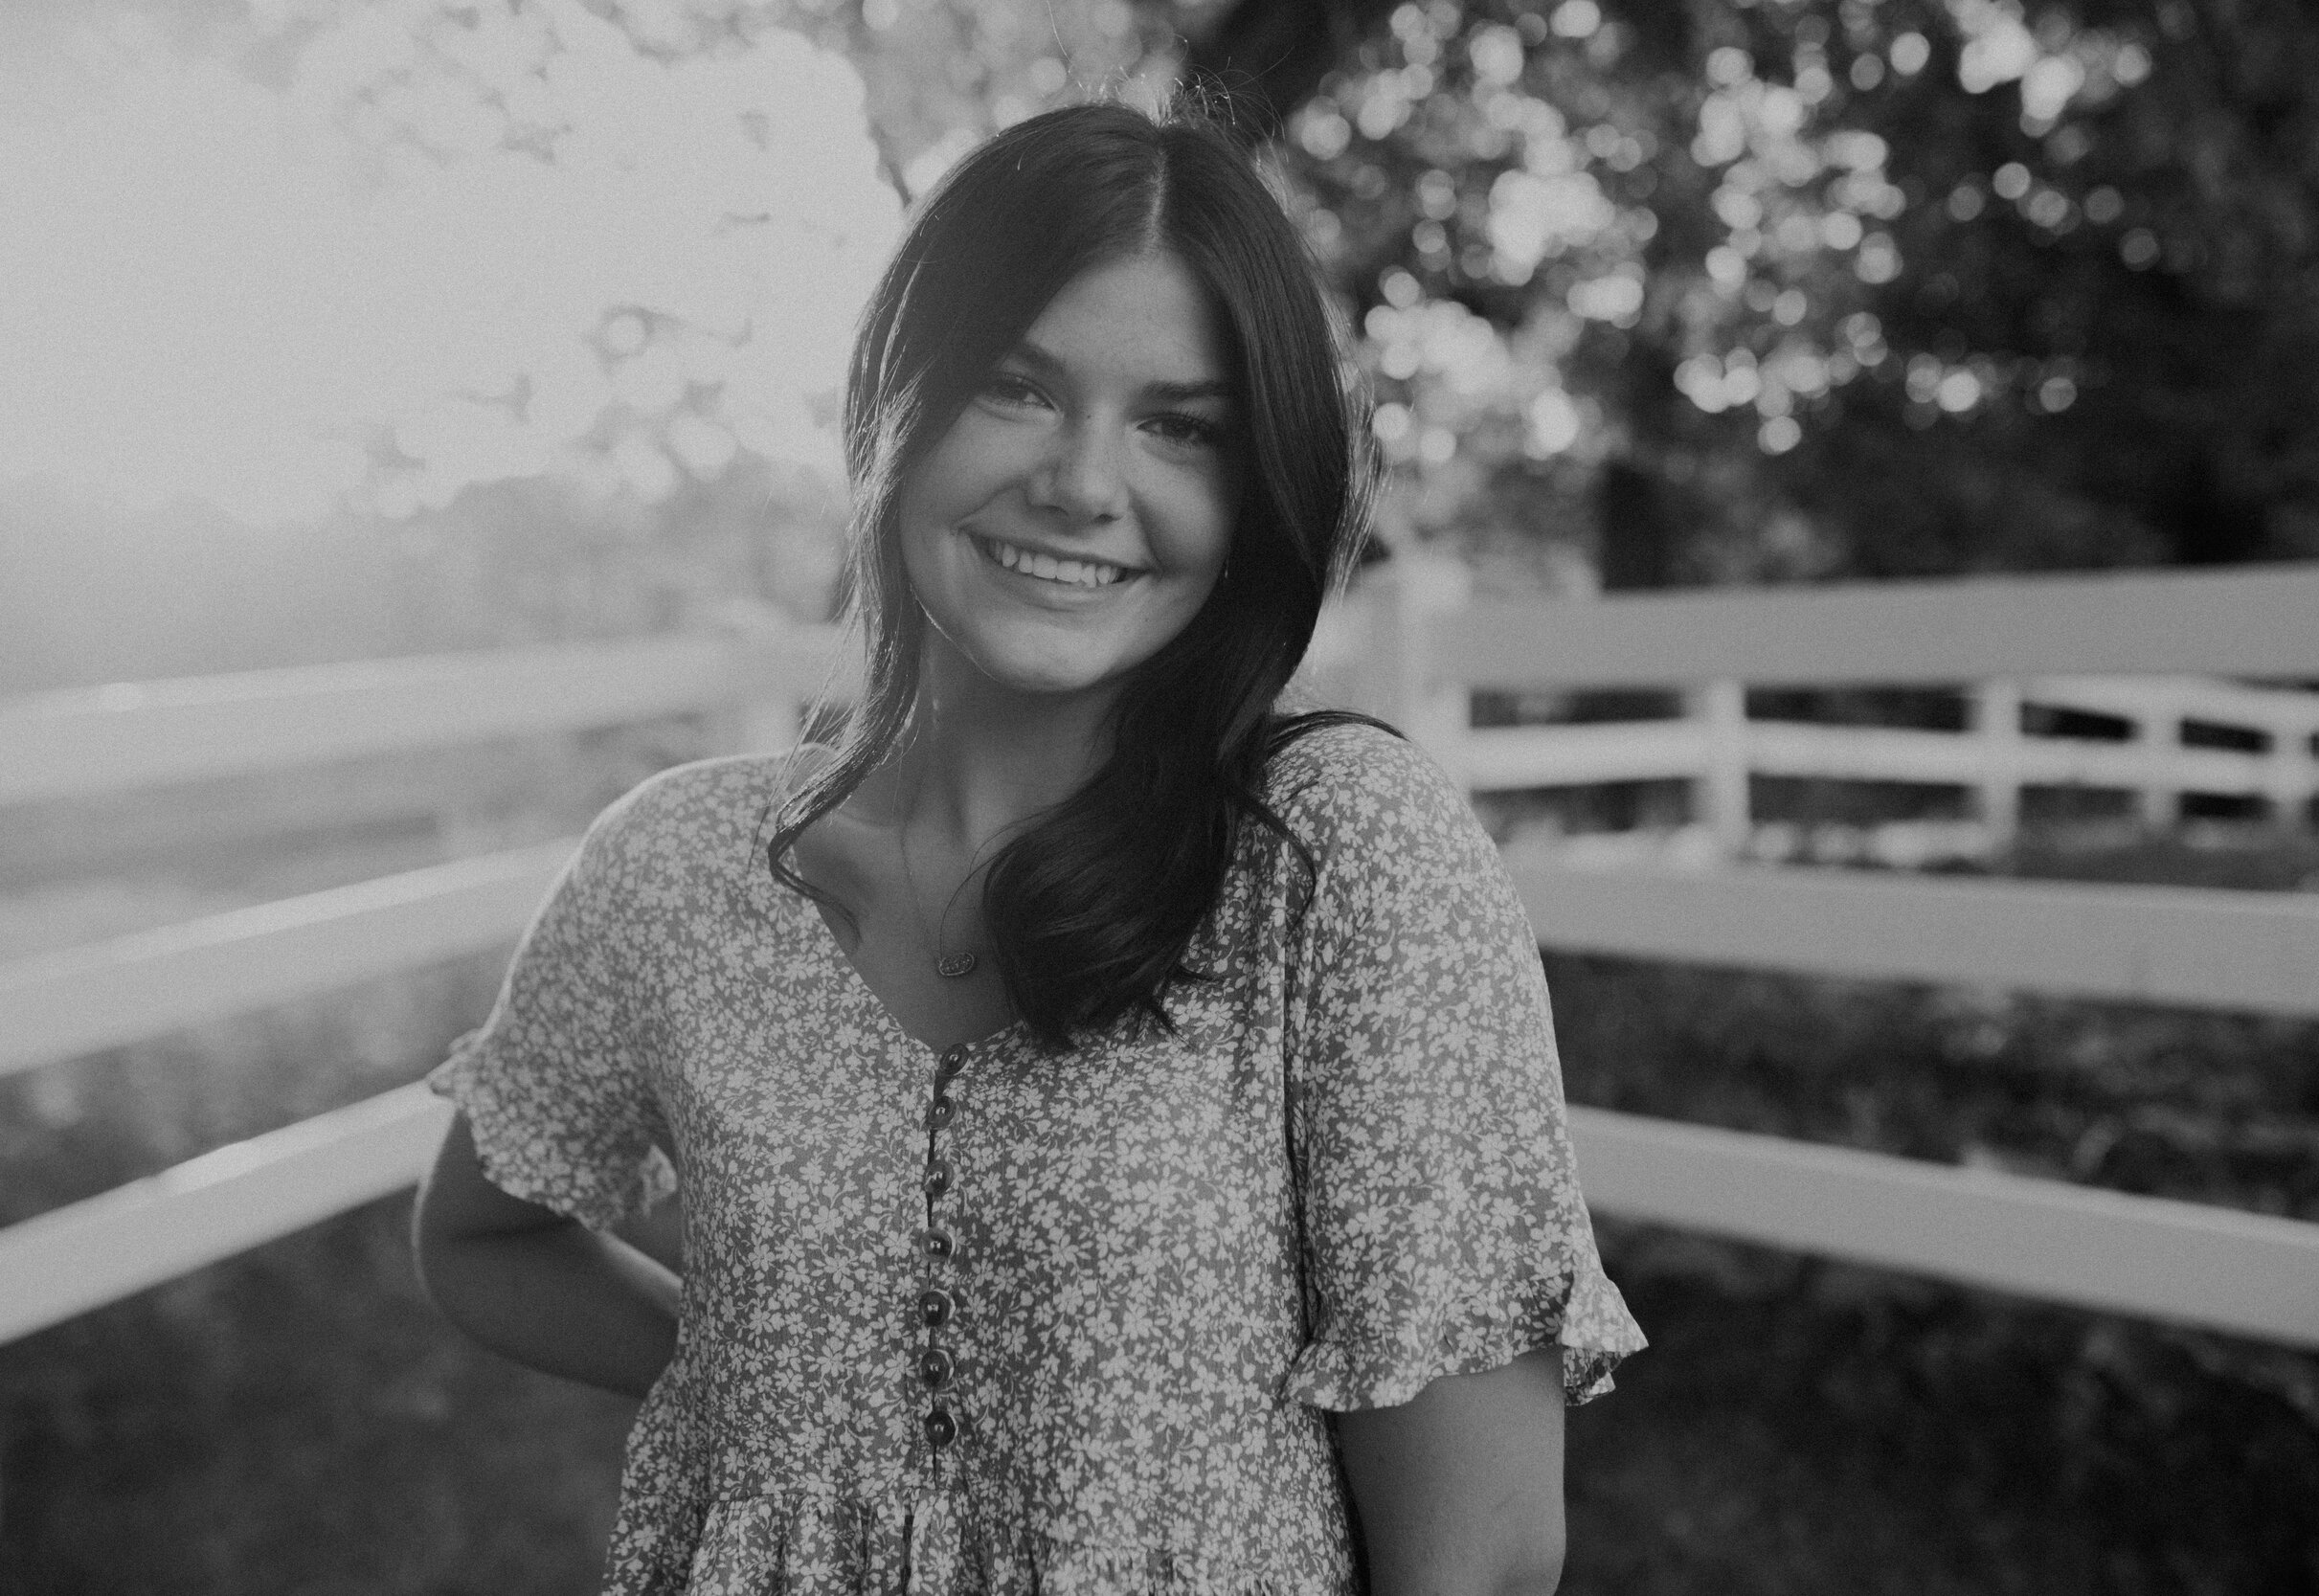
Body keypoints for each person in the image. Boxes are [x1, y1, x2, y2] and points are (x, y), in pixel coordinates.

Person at [413, 98, 1643, 1595]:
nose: (1081, 482)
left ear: (1255, 487)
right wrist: (778, 1395)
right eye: (1017, 389)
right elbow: (485, 1237)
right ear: (896, 407)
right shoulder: (680, 866)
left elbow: (1487, 1559)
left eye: (1179, 426)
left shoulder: (1339, 863)